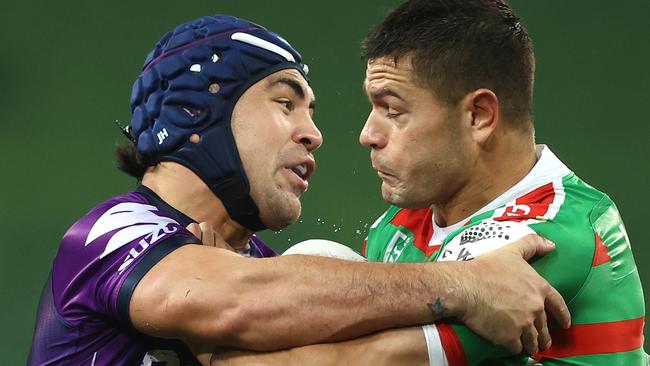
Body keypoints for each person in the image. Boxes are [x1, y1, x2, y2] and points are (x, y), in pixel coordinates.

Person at [27, 14, 570, 366]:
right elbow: (241, 302)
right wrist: (466, 285)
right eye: (286, 103)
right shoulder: (113, 232)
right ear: (196, 114)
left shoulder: (270, 267)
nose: (315, 133)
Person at [208, 1, 646, 365]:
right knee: (318, 258)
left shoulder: (551, 231)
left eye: (393, 111)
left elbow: (360, 361)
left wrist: (205, 343)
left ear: (479, 116)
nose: (367, 134)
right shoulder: (402, 223)